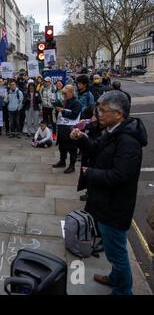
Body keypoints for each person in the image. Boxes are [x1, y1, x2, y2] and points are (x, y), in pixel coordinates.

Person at [70, 91, 147, 295]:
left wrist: (91, 173)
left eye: (103, 111)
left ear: (119, 114)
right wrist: (81, 139)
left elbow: (120, 176)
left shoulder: (127, 142)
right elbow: (96, 149)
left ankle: (123, 291)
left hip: (115, 206)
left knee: (117, 252)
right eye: (99, 109)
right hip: (104, 202)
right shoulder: (113, 131)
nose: (99, 114)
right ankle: (115, 278)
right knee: (113, 251)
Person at [53, 84, 82, 174]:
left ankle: (72, 166)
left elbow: (74, 116)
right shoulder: (66, 101)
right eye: (63, 94)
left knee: (72, 148)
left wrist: (62, 111)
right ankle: (62, 161)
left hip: (70, 129)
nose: (64, 95)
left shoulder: (77, 103)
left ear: (71, 92)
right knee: (62, 146)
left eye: (65, 94)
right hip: (63, 128)